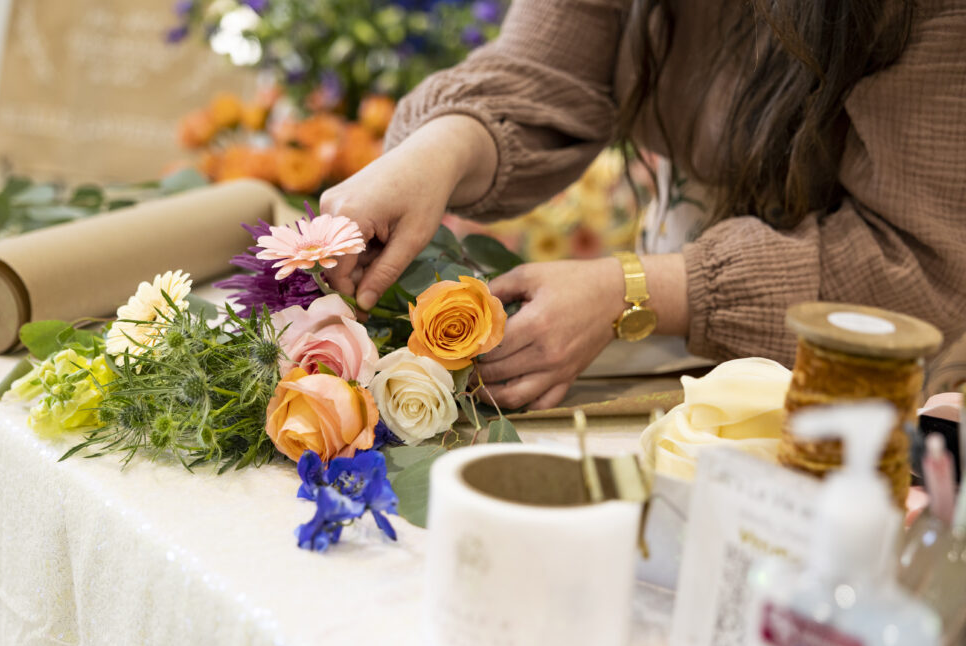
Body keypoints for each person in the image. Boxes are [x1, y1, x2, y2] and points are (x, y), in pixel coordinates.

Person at [322, 0, 966, 410]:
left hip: (871, 384)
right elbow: (547, 62)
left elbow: (922, 264)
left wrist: (632, 291)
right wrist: (440, 149)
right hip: (687, 332)